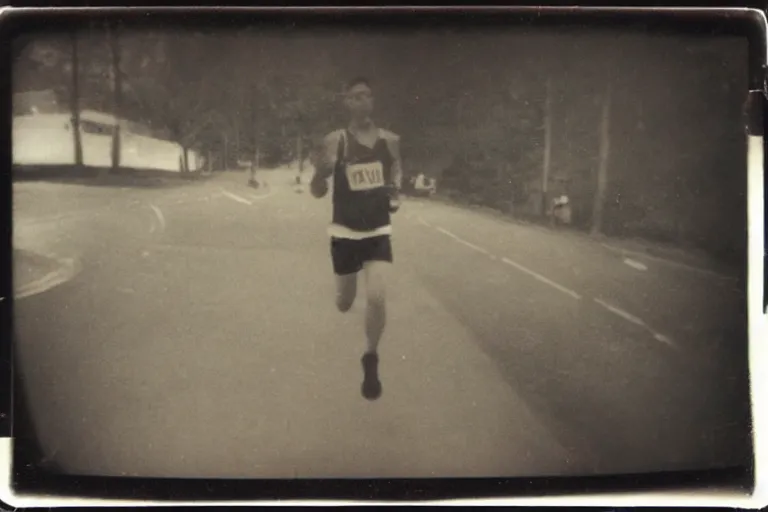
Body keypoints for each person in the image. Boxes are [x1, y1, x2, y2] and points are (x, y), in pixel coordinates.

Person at [310, 77, 403, 401]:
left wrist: (395, 192)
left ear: (373, 101)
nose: (363, 102)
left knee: (377, 296)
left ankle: (371, 356)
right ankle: (343, 298)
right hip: (344, 231)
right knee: (344, 302)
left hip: (377, 229)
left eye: (368, 95)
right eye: (356, 97)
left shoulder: (390, 141)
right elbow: (317, 189)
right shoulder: (335, 141)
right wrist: (320, 174)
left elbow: (396, 175)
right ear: (346, 102)